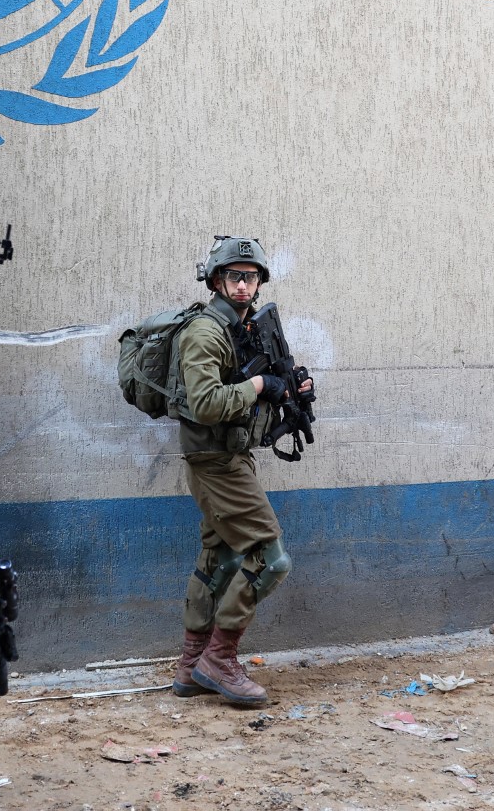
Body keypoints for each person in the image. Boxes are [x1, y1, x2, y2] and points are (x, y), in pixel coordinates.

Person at [167, 236, 310, 708]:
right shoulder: (205, 333)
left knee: (222, 556)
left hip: (228, 455)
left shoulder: (241, 328)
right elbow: (207, 403)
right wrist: (259, 384)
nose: (243, 285)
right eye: (234, 277)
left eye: (251, 277)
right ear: (216, 281)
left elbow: (251, 389)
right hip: (216, 461)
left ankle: (191, 665)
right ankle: (219, 659)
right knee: (271, 559)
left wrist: (289, 387)